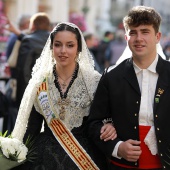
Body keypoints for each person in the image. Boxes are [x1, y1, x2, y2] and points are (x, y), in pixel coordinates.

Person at [11, 22, 116, 170]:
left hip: (83, 155)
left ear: (79, 48)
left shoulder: (93, 81)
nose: (63, 51)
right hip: (44, 156)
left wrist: (110, 125)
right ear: (51, 47)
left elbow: (102, 120)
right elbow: (33, 127)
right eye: (58, 45)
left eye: (70, 45)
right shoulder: (40, 82)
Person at [88, 5, 170, 169]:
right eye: (133, 33)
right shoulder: (111, 77)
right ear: (126, 38)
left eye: (145, 32)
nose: (138, 38)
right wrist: (117, 147)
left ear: (157, 36)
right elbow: (93, 123)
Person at [15, 12, 50, 108]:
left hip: (32, 90)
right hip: (51, 89)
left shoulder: (28, 40)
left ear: (33, 25)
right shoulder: (54, 39)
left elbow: (24, 68)